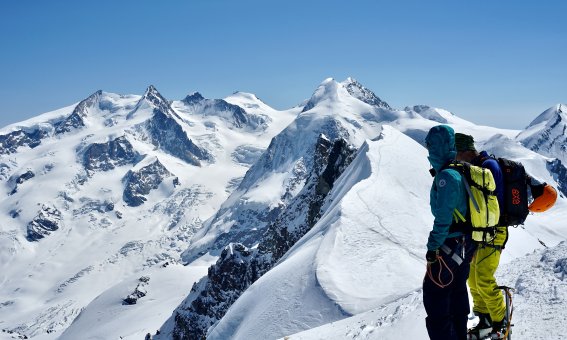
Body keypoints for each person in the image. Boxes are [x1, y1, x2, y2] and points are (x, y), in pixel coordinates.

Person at [423, 125, 476, 340]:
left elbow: (443, 217)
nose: (428, 151)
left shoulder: (446, 176)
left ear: (439, 147)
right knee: (456, 294)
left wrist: (432, 247)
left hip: (449, 246)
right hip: (466, 245)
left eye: (431, 146)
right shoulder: (461, 170)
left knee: (436, 298)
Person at [454, 133, 507, 340]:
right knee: (473, 280)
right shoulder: (478, 167)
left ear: (465, 151)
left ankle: (500, 322)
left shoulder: (489, 167)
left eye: (457, 155)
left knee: (483, 278)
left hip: (495, 231)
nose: (456, 160)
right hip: (480, 231)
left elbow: (493, 203)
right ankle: (484, 320)